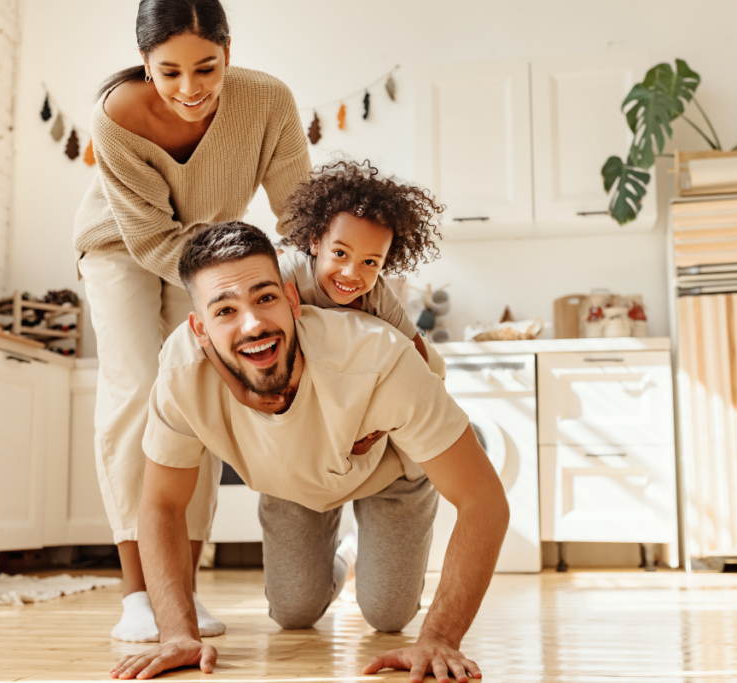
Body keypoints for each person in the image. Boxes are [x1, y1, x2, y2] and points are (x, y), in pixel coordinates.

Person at [110, 222, 510, 681]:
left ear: (292, 299)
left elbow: (485, 502)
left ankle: (366, 545)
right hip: (290, 480)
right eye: (225, 310)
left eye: (265, 298)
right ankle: (347, 556)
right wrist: (178, 633)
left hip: (386, 472)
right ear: (199, 329)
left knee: (387, 614)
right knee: (293, 611)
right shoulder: (181, 374)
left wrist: (440, 636)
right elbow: (161, 503)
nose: (254, 324)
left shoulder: (380, 358)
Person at [73, 0, 311, 642]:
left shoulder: (268, 101)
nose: (189, 89)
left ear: (229, 52)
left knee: (197, 400)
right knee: (133, 391)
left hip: (209, 258)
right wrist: (229, 285)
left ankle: (183, 585)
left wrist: (319, 280)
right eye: (169, 72)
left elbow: (299, 215)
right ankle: (137, 596)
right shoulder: (116, 115)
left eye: (206, 68)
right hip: (122, 246)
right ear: (146, 64)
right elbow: (150, 240)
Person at [204, 159, 447, 415]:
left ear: (384, 263)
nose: (352, 273)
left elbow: (417, 353)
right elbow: (212, 332)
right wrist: (242, 394)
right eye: (340, 253)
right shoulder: (288, 274)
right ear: (316, 242)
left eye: (369, 262)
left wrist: (391, 414)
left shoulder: (378, 295)